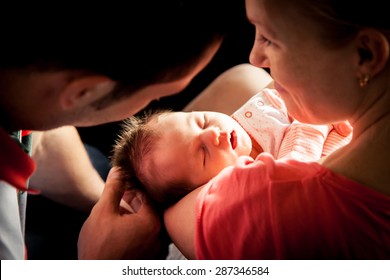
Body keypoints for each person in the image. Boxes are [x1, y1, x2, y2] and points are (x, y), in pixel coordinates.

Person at [0, 0, 244, 259]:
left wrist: (104, 200)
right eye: (156, 97)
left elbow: (38, 140)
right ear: (84, 92)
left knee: (244, 79)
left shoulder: (24, 94)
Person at [164, 0, 390, 259]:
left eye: (269, 39)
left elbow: (170, 213)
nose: (256, 57)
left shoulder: (274, 205)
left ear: (365, 54)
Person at [111, 88, 351, 205]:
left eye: (201, 121)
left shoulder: (257, 110)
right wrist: (313, 120)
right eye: (203, 153)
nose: (213, 133)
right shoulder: (245, 184)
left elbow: (303, 95)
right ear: (205, 188)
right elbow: (296, 170)